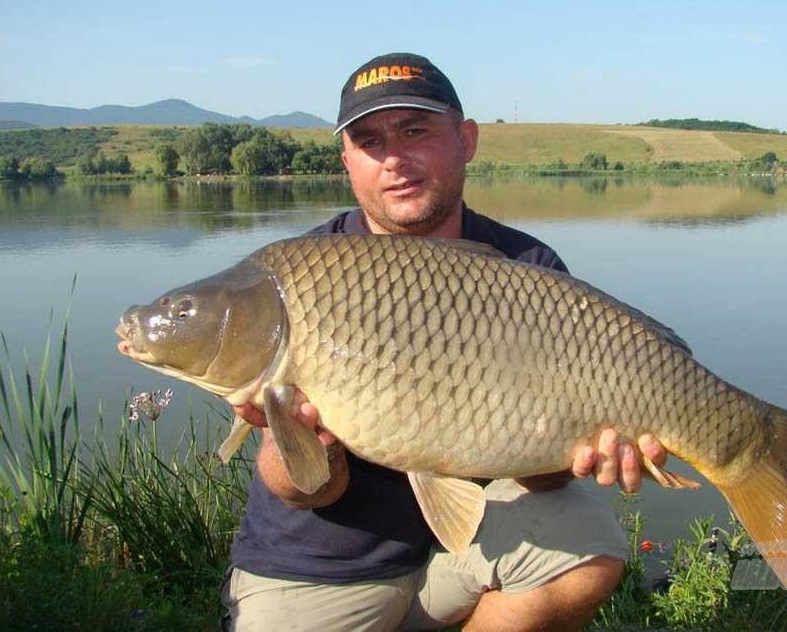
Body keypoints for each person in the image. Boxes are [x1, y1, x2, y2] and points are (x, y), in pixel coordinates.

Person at [222, 53, 669, 632]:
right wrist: (309, 441)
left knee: (583, 536)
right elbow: (305, 491)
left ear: (466, 139)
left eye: (415, 131)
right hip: (321, 567)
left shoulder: (528, 269)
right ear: (347, 163)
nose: (394, 160)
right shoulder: (291, 283)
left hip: (466, 549)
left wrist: (574, 449)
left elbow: (545, 479)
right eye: (369, 142)